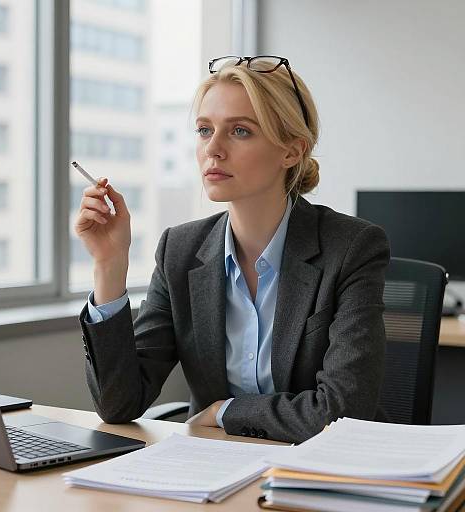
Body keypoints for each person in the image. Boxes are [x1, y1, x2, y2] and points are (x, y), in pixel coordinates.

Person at [75, 55, 390, 444]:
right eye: (204, 130)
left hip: (316, 469)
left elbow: (342, 411)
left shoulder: (351, 248)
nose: (214, 149)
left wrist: (226, 411)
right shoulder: (180, 249)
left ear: (291, 151)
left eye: (240, 131)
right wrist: (109, 264)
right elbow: (119, 404)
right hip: (212, 469)